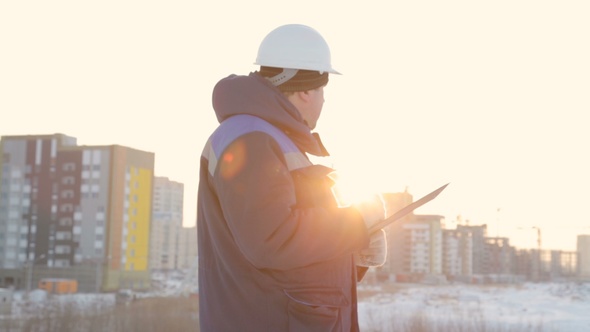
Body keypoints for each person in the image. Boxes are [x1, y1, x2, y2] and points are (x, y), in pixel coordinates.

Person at [197, 24, 397, 332]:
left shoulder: (267, 137)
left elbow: (284, 253)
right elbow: (272, 239)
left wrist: (356, 254)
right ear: (305, 90)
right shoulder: (251, 139)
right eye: (322, 90)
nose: (323, 101)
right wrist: (356, 224)